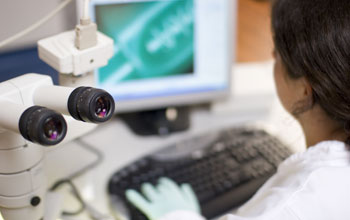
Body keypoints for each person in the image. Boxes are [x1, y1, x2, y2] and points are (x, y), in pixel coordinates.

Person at [125, 0, 350, 219]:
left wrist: (177, 215)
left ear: (305, 90)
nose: (272, 57)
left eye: (278, 52)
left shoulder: (288, 207)